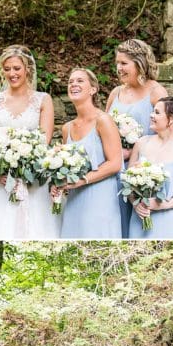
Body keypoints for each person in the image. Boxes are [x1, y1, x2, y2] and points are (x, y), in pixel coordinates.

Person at [0, 45, 59, 240]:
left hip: (32, 179)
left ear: (27, 69)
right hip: (0, 179)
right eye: (7, 69)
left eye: (16, 68)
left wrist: (24, 170)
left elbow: (43, 141)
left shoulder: (43, 100)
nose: (12, 74)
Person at [105, 38, 167, 237]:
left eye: (124, 63)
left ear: (139, 63)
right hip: (113, 168)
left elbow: (165, 133)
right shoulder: (115, 93)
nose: (119, 68)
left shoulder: (156, 92)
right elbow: (103, 129)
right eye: (117, 63)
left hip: (142, 172)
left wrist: (131, 152)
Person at [55, 68, 122, 239]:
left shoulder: (103, 121)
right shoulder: (67, 128)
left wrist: (82, 180)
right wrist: (59, 183)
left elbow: (115, 163)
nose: (74, 84)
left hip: (100, 197)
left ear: (93, 89)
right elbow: (66, 167)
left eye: (79, 81)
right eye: (71, 82)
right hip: (74, 199)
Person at [126, 98, 173, 239]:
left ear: (171, 119)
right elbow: (127, 181)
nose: (151, 115)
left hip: (171, 220)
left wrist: (164, 205)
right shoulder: (141, 143)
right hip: (140, 219)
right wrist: (136, 205)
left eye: (157, 112)